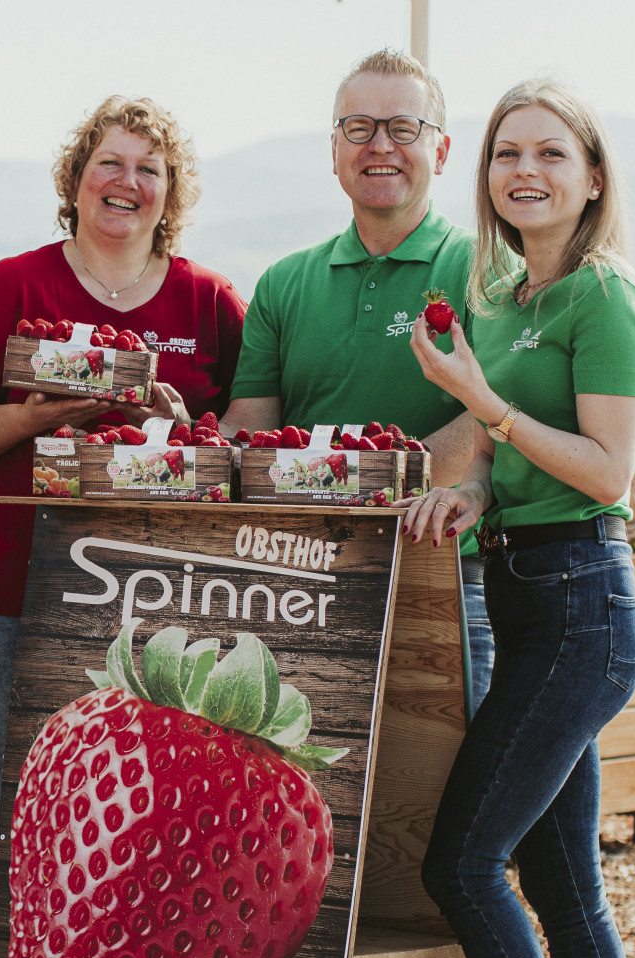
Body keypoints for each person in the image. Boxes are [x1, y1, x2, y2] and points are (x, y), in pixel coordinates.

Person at [0, 95, 246, 958]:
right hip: (11, 591)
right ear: (76, 180)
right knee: (12, 811)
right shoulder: (15, 288)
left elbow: (246, 443)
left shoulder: (209, 302)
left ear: (169, 193)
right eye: (111, 162)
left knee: (153, 823)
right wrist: (33, 418)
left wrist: (186, 427)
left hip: (160, 603)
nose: (128, 182)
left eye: (149, 169)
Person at [398, 78, 635, 958]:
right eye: (508, 153)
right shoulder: (506, 295)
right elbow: (503, 458)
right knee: (559, 881)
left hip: (582, 602)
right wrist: (472, 491)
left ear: (592, 178)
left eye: (552, 153)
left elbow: (605, 474)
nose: (526, 170)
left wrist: (485, 404)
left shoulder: (605, 296)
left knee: (461, 867)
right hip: (523, 594)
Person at [224, 49, 493, 712]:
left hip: (442, 574)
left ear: (443, 148)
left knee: (443, 801)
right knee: (311, 794)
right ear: (334, 147)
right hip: (298, 579)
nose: (380, 146)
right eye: (358, 128)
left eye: (404, 129)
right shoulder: (284, 282)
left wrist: (379, 479)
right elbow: (249, 426)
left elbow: (501, 412)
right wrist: (173, 443)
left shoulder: (487, 268)